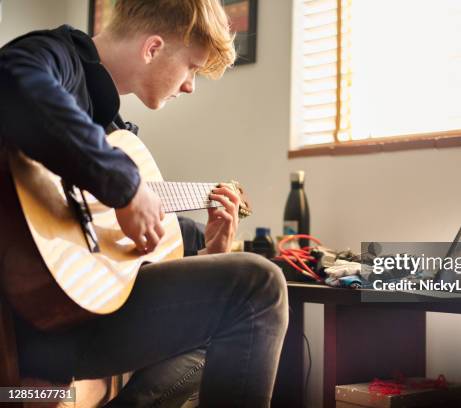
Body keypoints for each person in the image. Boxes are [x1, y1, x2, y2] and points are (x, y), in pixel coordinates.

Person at [0, 1, 288, 407]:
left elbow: (127, 267)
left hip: (77, 316)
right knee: (260, 285)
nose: (190, 86)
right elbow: (12, 80)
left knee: (202, 263)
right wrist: (127, 188)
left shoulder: (113, 126)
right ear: (153, 48)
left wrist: (210, 255)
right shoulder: (57, 55)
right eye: (191, 67)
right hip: (42, 324)